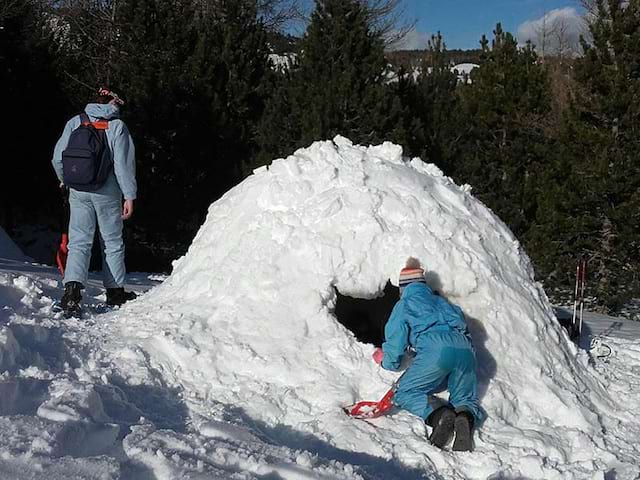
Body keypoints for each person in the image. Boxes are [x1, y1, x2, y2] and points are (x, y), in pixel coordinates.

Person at [372, 258, 484, 452]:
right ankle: (464, 417)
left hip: (437, 349)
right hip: (465, 349)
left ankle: (440, 416)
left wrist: (387, 361)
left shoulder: (404, 305)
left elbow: (396, 338)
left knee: (405, 392)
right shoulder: (442, 302)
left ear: (403, 288)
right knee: (463, 397)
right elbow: (462, 326)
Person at [51, 87, 137, 316]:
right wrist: (129, 195)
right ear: (114, 103)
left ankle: (72, 293)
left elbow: (57, 157)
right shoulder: (117, 126)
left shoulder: (75, 122)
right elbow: (123, 165)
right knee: (111, 241)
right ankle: (115, 292)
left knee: (79, 242)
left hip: (78, 190)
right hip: (107, 192)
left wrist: (64, 180)